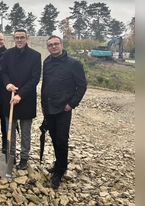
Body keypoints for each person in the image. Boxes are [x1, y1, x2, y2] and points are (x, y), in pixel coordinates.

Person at [41, 35, 87, 189]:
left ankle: (60, 171)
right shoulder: (47, 62)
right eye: (50, 45)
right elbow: (45, 85)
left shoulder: (73, 63)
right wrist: (43, 105)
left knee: (62, 140)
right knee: (53, 137)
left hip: (63, 108)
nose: (53, 47)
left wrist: (71, 104)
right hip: (49, 108)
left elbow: (81, 86)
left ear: (61, 45)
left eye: (56, 44)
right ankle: (58, 163)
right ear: (48, 48)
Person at [0, 29, 41, 171]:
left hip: (26, 99)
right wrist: (7, 84)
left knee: (25, 132)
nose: (19, 40)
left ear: (27, 38)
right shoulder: (7, 54)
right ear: (14, 39)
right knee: (10, 129)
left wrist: (20, 94)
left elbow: (35, 78)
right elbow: (3, 71)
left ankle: (24, 157)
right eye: (17, 37)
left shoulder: (35, 56)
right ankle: (11, 155)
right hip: (9, 97)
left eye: (22, 37)